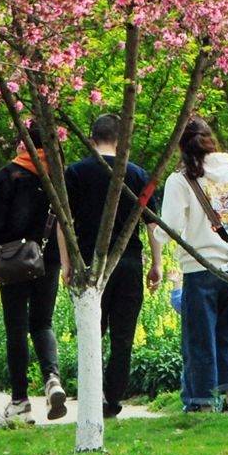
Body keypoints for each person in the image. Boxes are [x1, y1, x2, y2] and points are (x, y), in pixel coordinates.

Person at [63, 113, 162, 419]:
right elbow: (152, 224)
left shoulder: (75, 173)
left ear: (92, 139)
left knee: (93, 332)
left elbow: (63, 222)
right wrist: (156, 264)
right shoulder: (137, 175)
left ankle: (91, 394)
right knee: (123, 337)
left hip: (90, 264)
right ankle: (112, 400)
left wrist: (66, 264)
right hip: (129, 263)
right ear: (121, 142)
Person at [0, 124, 68, 422]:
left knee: (16, 328)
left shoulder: (8, 176)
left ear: (23, 144)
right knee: (42, 323)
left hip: (12, 260)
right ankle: (52, 379)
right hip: (47, 259)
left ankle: (20, 402)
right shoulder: (58, 176)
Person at [159, 117, 228, 412]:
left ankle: (202, 402)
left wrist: (153, 230)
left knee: (199, 338)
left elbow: (169, 226)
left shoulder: (181, 180)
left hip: (200, 267)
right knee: (227, 336)